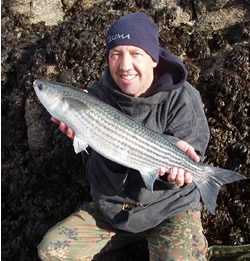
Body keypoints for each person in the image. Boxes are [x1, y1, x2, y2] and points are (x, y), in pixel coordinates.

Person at [38, 12, 210, 261]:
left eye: (136, 53)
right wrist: (95, 141)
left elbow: (191, 157)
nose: (125, 65)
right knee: (51, 252)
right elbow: (97, 177)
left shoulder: (183, 97)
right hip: (113, 210)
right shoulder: (96, 97)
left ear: (153, 58)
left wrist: (178, 171)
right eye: (115, 54)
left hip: (170, 209)